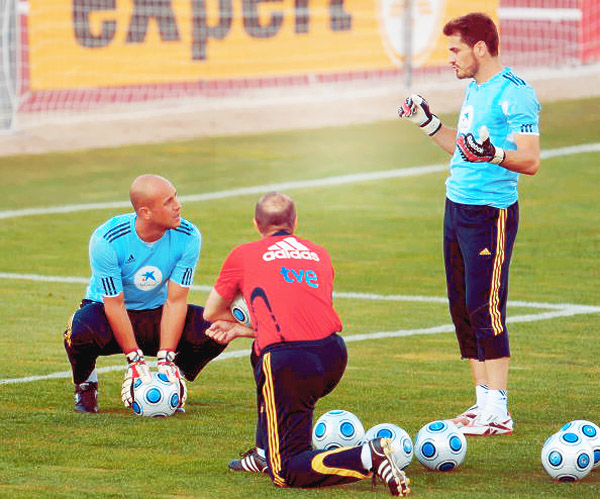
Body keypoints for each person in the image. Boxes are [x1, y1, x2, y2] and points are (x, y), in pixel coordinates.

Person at [203, 192, 410, 496]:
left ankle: (369, 455)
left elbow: (211, 312)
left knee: (286, 471)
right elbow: (303, 314)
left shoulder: (244, 254)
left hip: (290, 365)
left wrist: (241, 323)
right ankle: (262, 453)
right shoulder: (319, 253)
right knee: (260, 352)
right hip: (332, 355)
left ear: (256, 224)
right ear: (295, 221)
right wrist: (250, 331)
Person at [398, 12, 541, 436]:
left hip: (489, 214)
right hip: (456, 207)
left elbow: (531, 159)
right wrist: (426, 122)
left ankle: (499, 411)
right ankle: (482, 404)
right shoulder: (476, 89)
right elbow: (464, 150)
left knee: (485, 306)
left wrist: (495, 154)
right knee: (462, 307)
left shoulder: (515, 94)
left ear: (480, 48)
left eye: (455, 49)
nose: (450, 58)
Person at [63, 174, 226, 413]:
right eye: (168, 202)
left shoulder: (188, 236)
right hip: (108, 313)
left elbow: (176, 301)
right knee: (79, 330)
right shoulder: (107, 239)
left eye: (176, 197)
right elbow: (115, 304)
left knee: (218, 328)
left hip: (154, 312)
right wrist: (134, 358)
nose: (178, 205)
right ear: (146, 212)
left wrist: (166, 357)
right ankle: (86, 385)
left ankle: (171, 380)